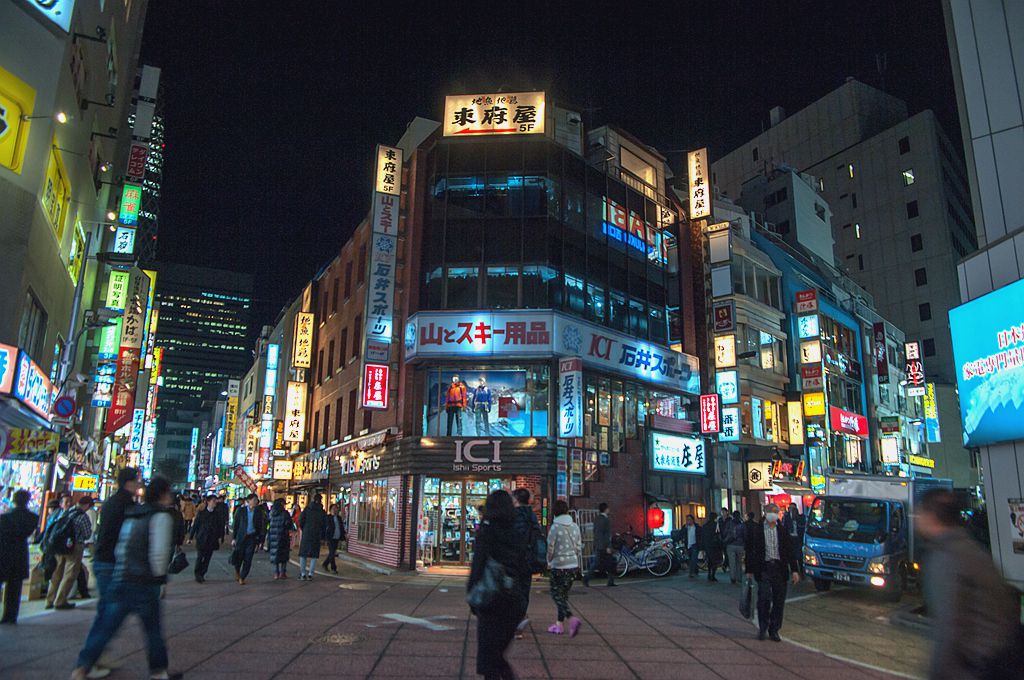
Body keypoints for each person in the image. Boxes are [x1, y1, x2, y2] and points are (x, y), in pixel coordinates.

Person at [70, 476, 179, 680]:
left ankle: (81, 668)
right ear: (164, 494)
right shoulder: (161, 517)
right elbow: (159, 553)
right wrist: (160, 579)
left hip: (122, 578)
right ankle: (159, 672)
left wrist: (121, 570)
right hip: (144, 582)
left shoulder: (133, 513)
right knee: (153, 630)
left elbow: (122, 546)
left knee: (107, 627)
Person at [917, 488, 1022, 679]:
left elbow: (949, 628)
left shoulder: (945, 556)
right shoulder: (971, 548)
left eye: (919, 513)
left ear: (930, 516)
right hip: (999, 661)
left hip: (977, 668)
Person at [468, 489, 529, 680]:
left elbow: (477, 568)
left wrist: (472, 597)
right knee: (496, 658)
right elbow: (524, 567)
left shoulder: (486, 532)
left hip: (491, 600)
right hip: (513, 602)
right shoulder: (518, 531)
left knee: (489, 661)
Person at [745, 503, 800, 641]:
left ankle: (774, 629)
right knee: (764, 598)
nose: (773, 514)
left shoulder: (782, 530)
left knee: (779, 600)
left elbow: (789, 551)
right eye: (771, 511)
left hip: (779, 568)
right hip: (763, 567)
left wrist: (794, 570)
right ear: (765, 512)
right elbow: (750, 550)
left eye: (776, 512)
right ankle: (763, 627)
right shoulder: (757, 530)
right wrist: (749, 569)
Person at [46, 495, 94, 610]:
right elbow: (87, 534)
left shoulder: (64, 513)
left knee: (57, 573)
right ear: (87, 506)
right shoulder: (82, 516)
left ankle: (50, 600)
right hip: (75, 546)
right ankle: (60, 601)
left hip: (59, 546)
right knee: (70, 573)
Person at [0, 490, 39, 624]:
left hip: (4, 553)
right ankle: (10, 616)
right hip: (20, 554)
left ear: (14, 500)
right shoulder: (33, 518)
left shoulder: (4, 518)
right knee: (14, 589)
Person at [545, 500, 582, 637]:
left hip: (559, 565)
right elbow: (578, 546)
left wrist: (548, 560)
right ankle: (559, 625)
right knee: (563, 596)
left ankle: (571, 618)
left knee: (556, 594)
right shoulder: (575, 526)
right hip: (573, 565)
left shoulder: (555, 527)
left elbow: (550, 547)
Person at [511, 488, 541, 635]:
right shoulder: (532, 515)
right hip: (529, 558)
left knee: (512, 589)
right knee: (524, 589)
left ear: (516, 499)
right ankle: (521, 616)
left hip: (514, 558)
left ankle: (516, 620)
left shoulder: (513, 516)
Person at [230, 494, 267, 585]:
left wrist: (259, 541)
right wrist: (234, 538)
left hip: (252, 538)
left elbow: (260, 526)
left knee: (248, 558)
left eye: (256, 500)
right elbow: (236, 525)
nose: (255, 502)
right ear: (248, 501)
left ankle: (243, 577)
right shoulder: (240, 511)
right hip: (241, 537)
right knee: (239, 557)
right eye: (254, 500)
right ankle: (237, 571)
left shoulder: (258, 512)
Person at [188, 496, 222, 583]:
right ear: (208, 502)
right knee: (200, 557)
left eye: (216, 501)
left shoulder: (217, 514)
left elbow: (220, 527)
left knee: (207, 558)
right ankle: (197, 574)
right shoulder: (201, 513)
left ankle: (202, 573)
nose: (215, 503)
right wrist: (190, 537)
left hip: (212, 539)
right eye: (213, 501)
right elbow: (195, 525)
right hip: (202, 538)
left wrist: (221, 537)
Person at [583, 502, 615, 587]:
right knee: (610, 562)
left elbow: (597, 533)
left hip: (598, 544)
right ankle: (610, 580)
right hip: (604, 546)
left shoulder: (596, 519)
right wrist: (608, 546)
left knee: (597, 563)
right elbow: (606, 534)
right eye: (608, 508)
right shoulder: (606, 520)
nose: (609, 510)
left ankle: (587, 578)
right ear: (606, 509)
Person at [298, 495, 326, 580]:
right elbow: (323, 524)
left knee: (303, 554)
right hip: (316, 534)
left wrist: (304, 528)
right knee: (314, 555)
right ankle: (310, 574)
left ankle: (303, 574)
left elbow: (301, 520)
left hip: (306, 533)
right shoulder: (321, 511)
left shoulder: (307, 509)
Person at [74, 496, 96, 599]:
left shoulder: (87, 513)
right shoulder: (88, 513)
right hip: (84, 540)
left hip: (84, 540)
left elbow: (90, 528)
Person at [267, 498, 295, 580]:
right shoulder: (285, 513)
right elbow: (289, 524)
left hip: (273, 536)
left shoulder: (271, 513)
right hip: (283, 536)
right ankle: (283, 572)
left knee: (275, 554)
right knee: (283, 554)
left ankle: (276, 572)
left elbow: (268, 523)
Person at [724, 510, 747, 584]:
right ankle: (739, 577)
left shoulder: (729, 523)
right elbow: (745, 535)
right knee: (739, 562)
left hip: (731, 544)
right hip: (740, 545)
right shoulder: (742, 524)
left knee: (732, 562)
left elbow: (725, 532)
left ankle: (733, 577)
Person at [322, 504, 346, 574]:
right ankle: (333, 568)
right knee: (332, 552)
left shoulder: (338, 518)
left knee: (332, 552)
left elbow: (341, 527)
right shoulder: (328, 517)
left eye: (336, 508)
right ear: (331, 509)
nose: (335, 510)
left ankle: (325, 564)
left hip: (337, 537)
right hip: (330, 537)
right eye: (334, 508)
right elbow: (325, 528)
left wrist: (344, 534)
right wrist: (324, 537)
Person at [702, 512, 723, 582]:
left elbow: (703, 536)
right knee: (715, 561)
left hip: (707, 545)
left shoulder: (705, 526)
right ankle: (713, 575)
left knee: (709, 560)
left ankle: (709, 574)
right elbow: (718, 534)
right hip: (715, 545)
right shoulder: (716, 525)